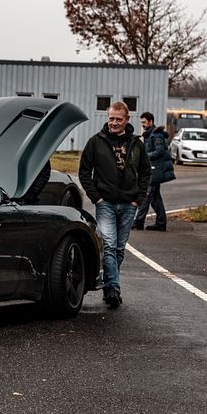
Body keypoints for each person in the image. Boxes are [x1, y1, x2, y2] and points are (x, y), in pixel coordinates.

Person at [78, 101, 151, 309]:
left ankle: (109, 282)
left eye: (118, 119)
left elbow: (146, 172)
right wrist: (97, 198)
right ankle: (112, 289)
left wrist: (139, 197)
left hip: (129, 203)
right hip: (106, 203)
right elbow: (84, 172)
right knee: (109, 245)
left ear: (127, 120)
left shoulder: (137, 144)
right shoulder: (96, 142)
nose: (114, 123)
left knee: (119, 248)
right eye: (111, 118)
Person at [133, 112, 175, 231]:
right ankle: (161, 223)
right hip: (152, 169)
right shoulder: (148, 135)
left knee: (146, 196)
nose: (143, 125)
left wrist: (144, 156)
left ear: (151, 122)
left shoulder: (156, 136)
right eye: (141, 123)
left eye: (144, 122)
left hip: (155, 170)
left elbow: (159, 151)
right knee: (155, 198)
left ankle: (138, 222)